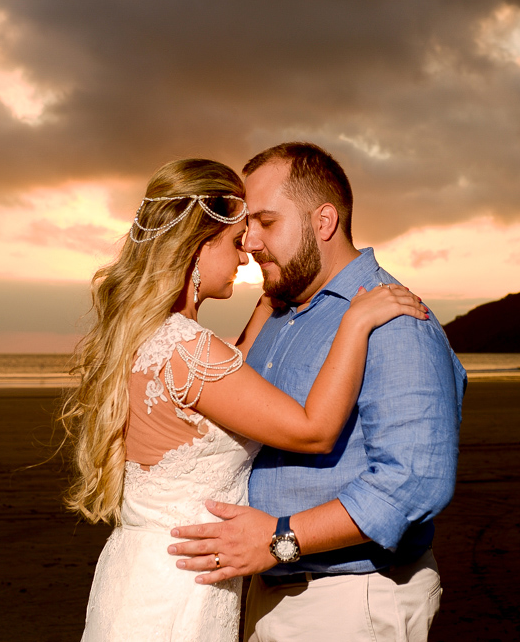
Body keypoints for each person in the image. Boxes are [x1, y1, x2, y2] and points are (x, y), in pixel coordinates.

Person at [57, 157, 429, 642]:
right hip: (181, 591)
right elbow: (312, 431)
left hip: (137, 575)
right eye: (235, 242)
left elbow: (230, 372)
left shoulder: (148, 339)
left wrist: (269, 297)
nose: (244, 254)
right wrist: (355, 323)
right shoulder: (189, 351)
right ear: (198, 245)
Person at [167, 143, 466, 641]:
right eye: (247, 227)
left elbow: (414, 483)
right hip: (261, 590)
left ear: (323, 221)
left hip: (349, 598)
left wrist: (281, 541)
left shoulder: (394, 320)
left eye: (267, 222)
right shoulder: (283, 313)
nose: (251, 243)